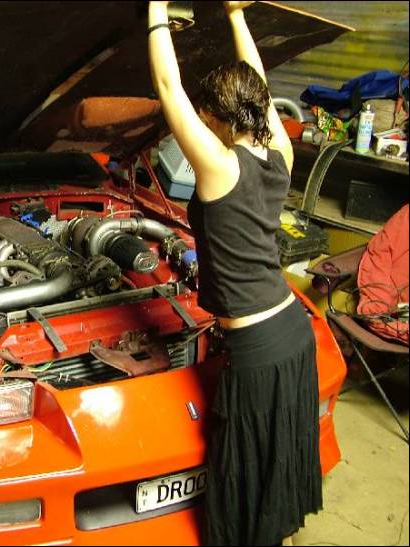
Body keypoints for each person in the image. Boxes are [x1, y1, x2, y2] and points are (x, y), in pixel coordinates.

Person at [147, 2, 322, 546]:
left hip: (257, 348)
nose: (200, 123)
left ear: (216, 117)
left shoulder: (220, 167)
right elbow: (260, 87)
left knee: (242, 472)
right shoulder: (280, 152)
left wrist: (155, 9)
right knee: (273, 461)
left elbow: (169, 88)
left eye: (205, 116)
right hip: (291, 330)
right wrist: (236, 15)